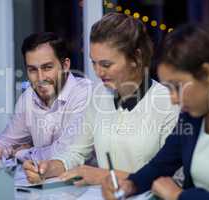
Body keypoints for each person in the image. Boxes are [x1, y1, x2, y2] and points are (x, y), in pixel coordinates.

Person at [101, 24, 209, 200]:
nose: (173, 99)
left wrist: (178, 196)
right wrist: (131, 184)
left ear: (207, 73)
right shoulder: (192, 117)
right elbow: (160, 165)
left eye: (177, 86)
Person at [23, 13, 179, 185]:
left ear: (136, 58)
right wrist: (48, 168)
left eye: (106, 64)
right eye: (93, 63)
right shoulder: (98, 96)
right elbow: (76, 152)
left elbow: (173, 180)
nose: (98, 72)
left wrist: (104, 176)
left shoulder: (169, 102)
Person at [0, 32, 92, 167]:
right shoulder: (28, 98)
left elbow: (67, 152)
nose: (40, 78)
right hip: (42, 184)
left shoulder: (84, 93)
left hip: (86, 185)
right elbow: (7, 140)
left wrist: (20, 153)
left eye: (47, 67)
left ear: (65, 65)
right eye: (32, 70)